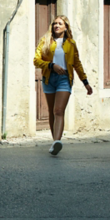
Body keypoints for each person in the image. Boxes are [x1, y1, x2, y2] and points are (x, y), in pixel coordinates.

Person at [34, 15, 93, 155]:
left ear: (65, 27)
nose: (56, 26)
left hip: (64, 78)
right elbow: (36, 60)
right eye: (55, 23)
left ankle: (57, 141)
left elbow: (77, 64)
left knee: (59, 110)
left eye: (60, 23)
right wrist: (51, 65)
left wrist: (85, 82)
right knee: (51, 111)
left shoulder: (71, 44)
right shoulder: (45, 41)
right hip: (49, 78)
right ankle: (55, 141)